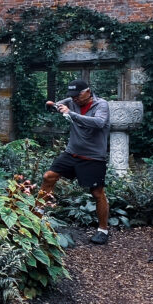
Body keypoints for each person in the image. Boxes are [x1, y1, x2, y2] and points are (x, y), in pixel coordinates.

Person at [40, 79, 112, 244]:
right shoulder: (71, 101)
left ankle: (103, 230)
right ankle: (36, 214)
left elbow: (99, 123)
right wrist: (51, 106)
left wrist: (70, 114)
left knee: (97, 193)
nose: (74, 99)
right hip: (72, 153)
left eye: (77, 95)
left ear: (87, 91)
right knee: (48, 176)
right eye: (71, 96)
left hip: (93, 157)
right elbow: (57, 106)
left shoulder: (101, 105)